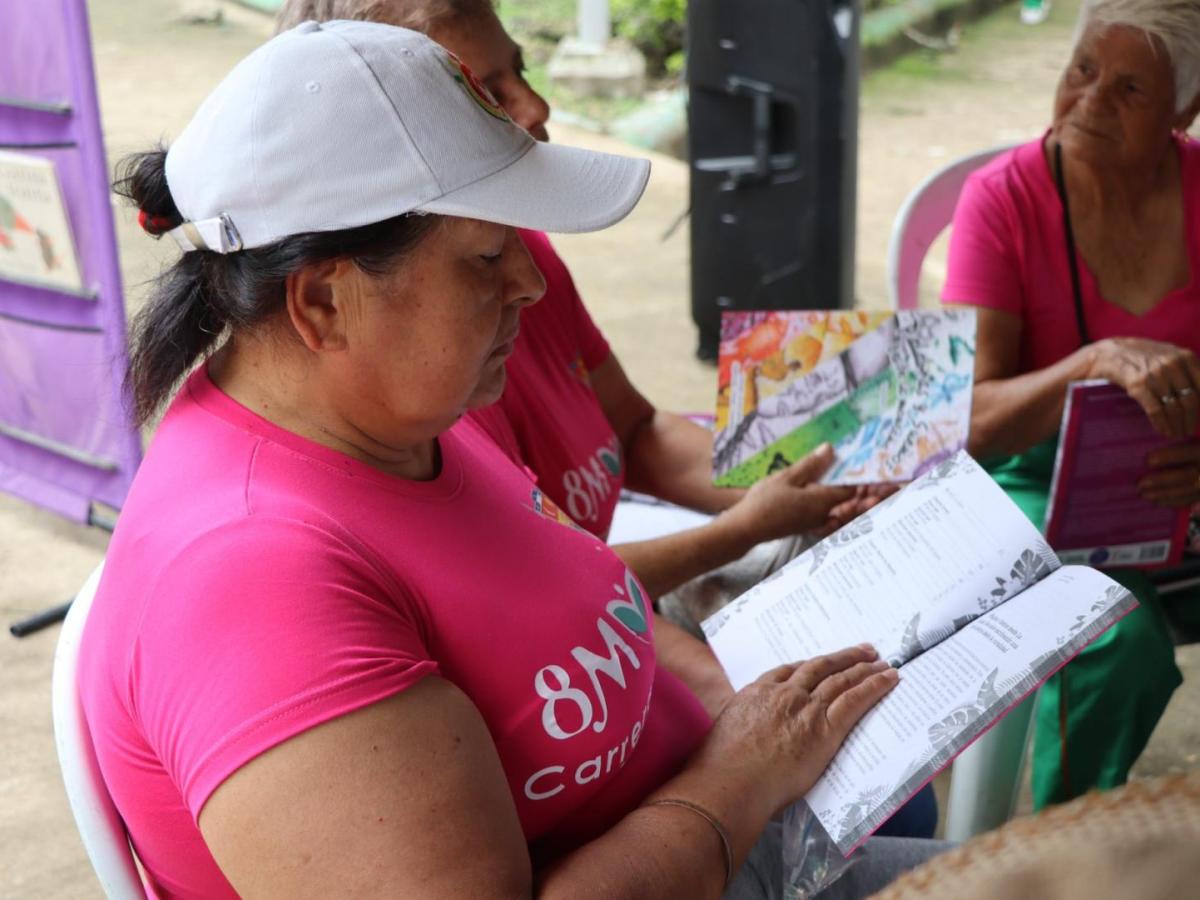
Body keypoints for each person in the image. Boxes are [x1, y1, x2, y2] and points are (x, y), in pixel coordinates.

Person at [78, 22, 943, 898]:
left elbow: (584, 585)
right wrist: (742, 773)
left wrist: (725, 709)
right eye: (486, 256)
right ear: (323, 303)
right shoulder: (249, 585)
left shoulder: (404, 414)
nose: (529, 279)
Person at [941, 0, 1200, 808]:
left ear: (1183, 112)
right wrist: (1088, 365)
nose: (1089, 101)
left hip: (1178, 488)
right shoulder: (1004, 200)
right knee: (1113, 644)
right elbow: (969, 425)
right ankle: (1062, 848)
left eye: (1129, 89)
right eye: (1082, 70)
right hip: (1028, 485)